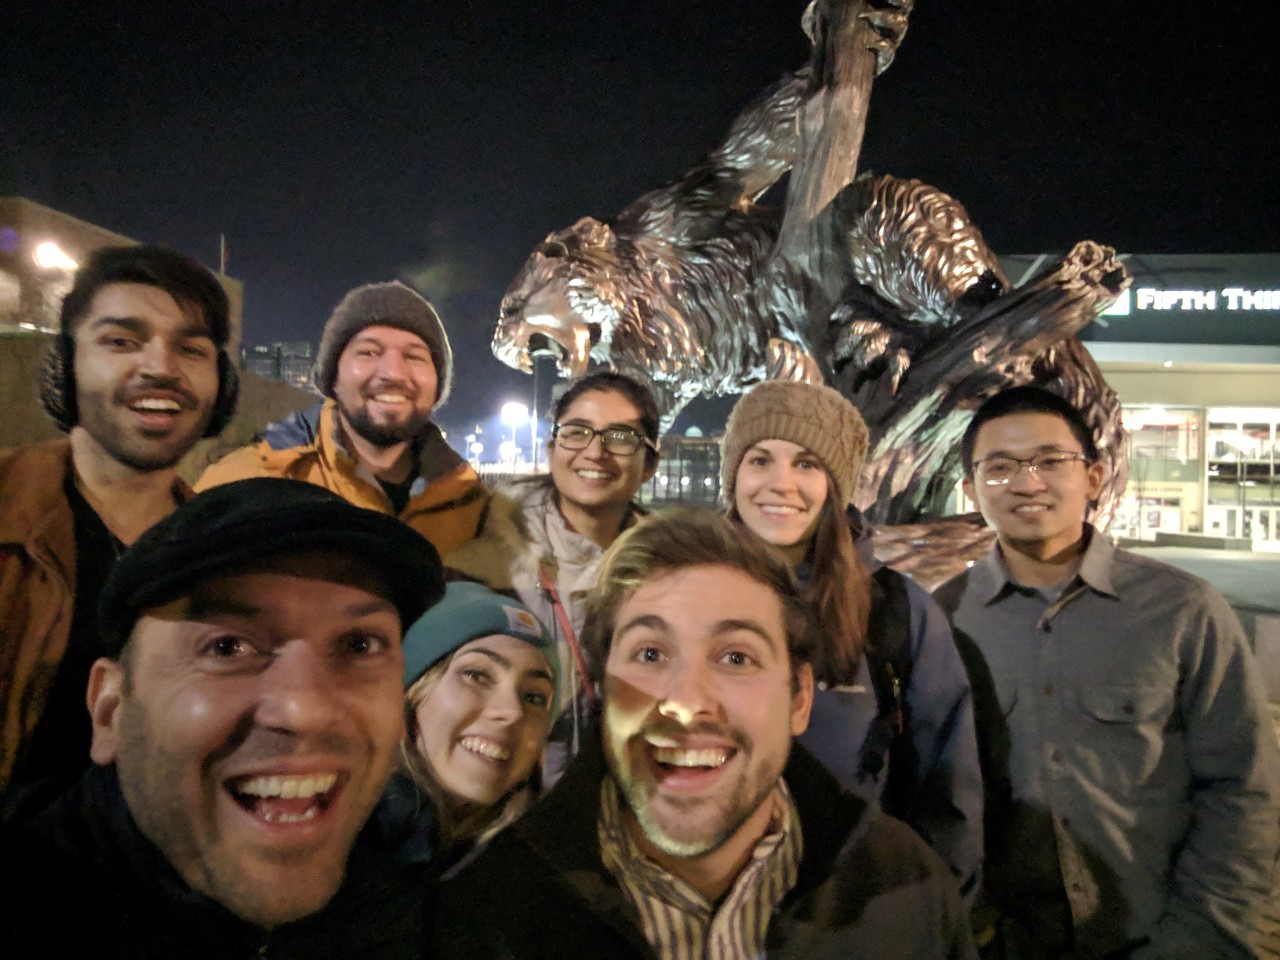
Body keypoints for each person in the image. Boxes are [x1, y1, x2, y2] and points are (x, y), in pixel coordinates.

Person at [434, 508, 977, 960]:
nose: (687, 704)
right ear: (601, 688)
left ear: (800, 699)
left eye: (736, 657)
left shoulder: (905, 891)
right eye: (650, 654)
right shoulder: (485, 918)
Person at [0, 477, 445, 958]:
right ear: (110, 710)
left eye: (359, 645)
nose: (305, 710)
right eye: (227, 647)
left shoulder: (401, 914)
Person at [934, 385, 1280, 960]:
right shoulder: (944, 618)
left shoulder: (1181, 609)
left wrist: (1203, 937)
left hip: (1164, 937)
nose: (1027, 482)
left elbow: (1243, 787)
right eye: (1000, 468)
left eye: (1050, 461)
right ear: (970, 490)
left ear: (1093, 477)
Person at [718, 379, 983, 896]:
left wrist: (937, 913)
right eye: (760, 460)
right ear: (733, 475)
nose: (781, 483)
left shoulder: (893, 609)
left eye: (807, 464)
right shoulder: (684, 594)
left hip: (853, 905)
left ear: (835, 484)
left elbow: (948, 783)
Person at [0, 244, 238, 807]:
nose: (161, 367)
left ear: (220, 385)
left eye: (191, 349)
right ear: (66, 365)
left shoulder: (228, 556)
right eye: (121, 341)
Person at [446, 371, 660, 774]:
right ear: (551, 447)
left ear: (649, 464)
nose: (595, 452)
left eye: (620, 437)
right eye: (577, 432)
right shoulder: (480, 560)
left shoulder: (670, 574)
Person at [197, 280, 486, 556]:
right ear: (332, 378)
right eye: (369, 352)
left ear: (436, 386)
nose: (393, 373)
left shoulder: (473, 504)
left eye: (414, 356)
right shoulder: (246, 483)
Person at [366, 580, 559, 876]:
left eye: (534, 697)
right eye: (477, 675)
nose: (512, 713)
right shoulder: (340, 846)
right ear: (411, 696)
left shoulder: (534, 877)